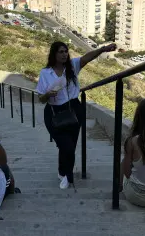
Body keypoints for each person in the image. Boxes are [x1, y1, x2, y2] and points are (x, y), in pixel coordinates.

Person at [36, 41, 117, 189]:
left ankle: (64, 173)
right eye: (60, 52)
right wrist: (48, 94)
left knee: (70, 145)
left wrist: (102, 49)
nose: (64, 54)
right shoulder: (45, 73)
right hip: (54, 112)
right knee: (64, 145)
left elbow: (87, 57)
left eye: (66, 51)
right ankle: (68, 174)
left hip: (73, 109)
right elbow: (40, 99)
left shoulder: (72, 66)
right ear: (54, 54)